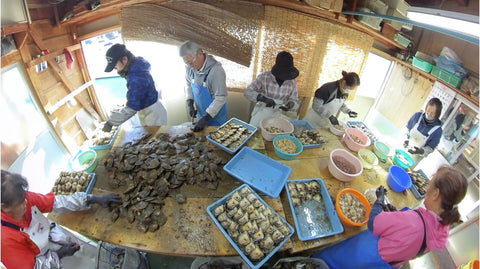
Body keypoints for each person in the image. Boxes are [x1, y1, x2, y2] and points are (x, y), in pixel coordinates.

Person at [312, 165, 468, 269]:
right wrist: (395, 213)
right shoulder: (442, 228)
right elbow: (412, 245)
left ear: (436, 194)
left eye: (430, 185)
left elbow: (373, 223)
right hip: (385, 264)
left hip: (361, 257)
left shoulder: (412, 221)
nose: (427, 189)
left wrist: (379, 202)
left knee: (323, 262)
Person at [1, 170, 121, 269]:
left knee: (94, 251)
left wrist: (93, 199)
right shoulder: (4, 240)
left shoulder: (22, 197)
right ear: (4, 207)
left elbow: (57, 202)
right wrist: (59, 255)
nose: (26, 202)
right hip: (50, 262)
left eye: (24, 197)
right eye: (20, 202)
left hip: (56, 234)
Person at [102, 43, 167, 132]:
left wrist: (111, 122)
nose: (114, 68)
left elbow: (133, 106)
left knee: (155, 140)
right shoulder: (136, 67)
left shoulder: (136, 76)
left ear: (124, 59)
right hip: (149, 109)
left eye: (114, 65)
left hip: (152, 114)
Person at [179, 41, 227, 132]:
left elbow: (220, 98)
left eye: (190, 62)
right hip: (201, 116)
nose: (190, 66)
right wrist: (190, 102)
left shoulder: (216, 71)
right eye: (187, 63)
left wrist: (206, 118)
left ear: (200, 54)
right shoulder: (190, 68)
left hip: (215, 120)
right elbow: (188, 85)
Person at [243, 51, 299, 127]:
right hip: (263, 110)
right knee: (254, 132)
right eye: (282, 72)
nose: (283, 75)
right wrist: (263, 99)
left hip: (278, 113)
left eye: (286, 72)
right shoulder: (265, 76)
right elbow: (248, 92)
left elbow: (293, 99)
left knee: (273, 133)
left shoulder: (291, 81)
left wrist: (290, 104)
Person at [403, 97, 443, 167]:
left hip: (414, 159)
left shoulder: (437, 131)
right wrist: (405, 139)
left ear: (437, 114)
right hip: (404, 148)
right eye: (428, 111)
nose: (429, 114)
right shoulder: (417, 116)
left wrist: (420, 151)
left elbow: (430, 148)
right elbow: (406, 128)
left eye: (432, 113)